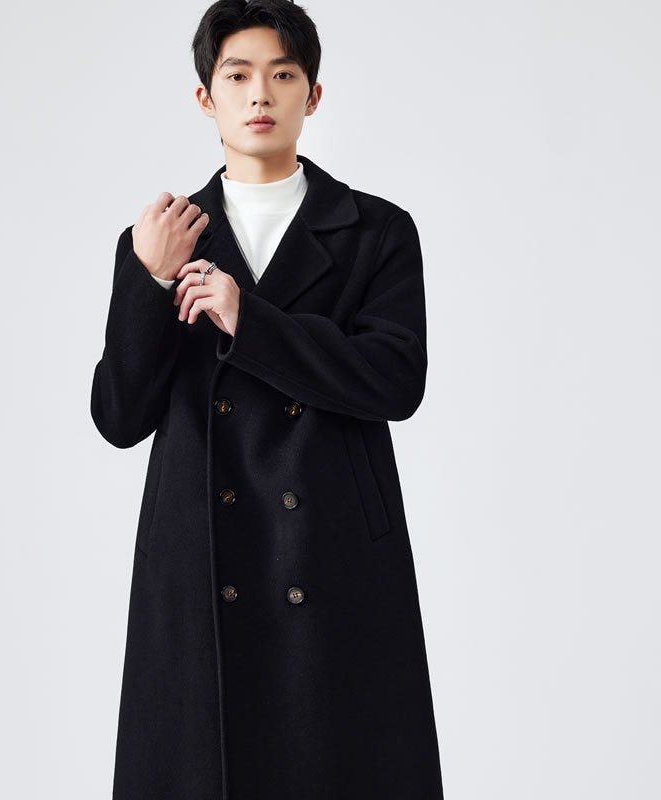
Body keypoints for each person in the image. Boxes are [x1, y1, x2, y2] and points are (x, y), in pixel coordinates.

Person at [90, 1, 444, 797]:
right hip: (199, 555)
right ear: (205, 97)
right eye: (238, 75)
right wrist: (149, 280)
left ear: (312, 95)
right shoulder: (161, 238)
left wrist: (249, 319)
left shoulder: (376, 231)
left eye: (282, 75)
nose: (260, 95)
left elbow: (395, 380)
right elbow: (119, 417)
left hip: (331, 550)